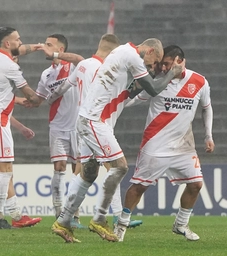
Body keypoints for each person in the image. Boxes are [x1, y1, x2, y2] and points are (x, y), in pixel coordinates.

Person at [50, 38, 184, 243]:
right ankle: (100, 218)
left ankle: (63, 222)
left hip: (89, 119)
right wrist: (172, 73)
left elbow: (130, 91)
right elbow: (154, 89)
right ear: (149, 51)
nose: (152, 67)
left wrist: (154, 77)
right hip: (95, 121)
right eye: (153, 62)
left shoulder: (123, 54)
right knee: (120, 167)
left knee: (88, 173)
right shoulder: (132, 56)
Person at [114, 45, 215, 242]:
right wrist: (113, 107)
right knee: (139, 187)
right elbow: (135, 100)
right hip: (155, 144)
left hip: (183, 146)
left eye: (167, 64)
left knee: (195, 184)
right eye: (161, 65)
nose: (162, 69)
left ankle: (181, 224)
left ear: (180, 61)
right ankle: (121, 225)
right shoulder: (158, 82)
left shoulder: (199, 81)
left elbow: (207, 108)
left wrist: (208, 136)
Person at [47, 34, 142, 230]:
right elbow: (115, 98)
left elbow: (65, 86)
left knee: (84, 172)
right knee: (114, 167)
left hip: (81, 122)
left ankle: (68, 216)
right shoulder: (103, 69)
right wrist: (140, 97)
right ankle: (113, 215)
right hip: (97, 123)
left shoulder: (83, 65)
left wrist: (48, 98)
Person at [0, 26, 43, 229]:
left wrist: (35, 47)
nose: (21, 42)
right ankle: (15, 215)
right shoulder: (10, 66)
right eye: (17, 39)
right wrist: (43, 98)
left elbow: (19, 51)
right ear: (7, 43)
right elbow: (32, 95)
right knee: (5, 170)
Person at [23, 34, 85, 228]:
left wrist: (57, 54)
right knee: (59, 168)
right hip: (57, 127)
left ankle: (75, 215)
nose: (44, 46)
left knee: (79, 171)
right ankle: (59, 214)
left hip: (77, 127)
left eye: (49, 45)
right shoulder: (46, 74)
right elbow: (39, 99)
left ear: (61, 49)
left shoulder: (73, 66)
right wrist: (21, 98)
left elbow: (80, 59)